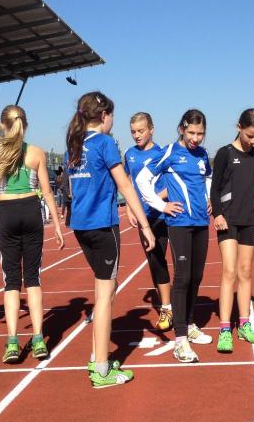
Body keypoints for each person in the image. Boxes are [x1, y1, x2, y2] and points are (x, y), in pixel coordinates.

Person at [66, 91, 156, 387]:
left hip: (81, 226)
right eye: (113, 116)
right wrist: (145, 226)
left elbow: (74, 188)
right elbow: (125, 185)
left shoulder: (74, 143)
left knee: (104, 289)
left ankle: (97, 357)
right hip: (103, 226)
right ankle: (102, 370)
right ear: (104, 116)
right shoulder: (104, 143)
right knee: (106, 295)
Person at [0, 105, 64, 363]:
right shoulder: (36, 152)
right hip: (31, 211)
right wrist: (57, 224)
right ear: (25, 125)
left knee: (11, 282)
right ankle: (38, 339)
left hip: (7, 213)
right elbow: (47, 192)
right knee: (33, 279)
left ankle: (13, 342)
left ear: (2, 125)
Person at [137, 109, 213, 363]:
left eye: (200, 133)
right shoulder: (169, 152)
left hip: (202, 222)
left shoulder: (203, 154)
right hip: (179, 223)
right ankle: (180, 341)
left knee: (197, 277)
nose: (196, 138)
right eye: (191, 132)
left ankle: (189, 325)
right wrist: (162, 206)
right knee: (183, 277)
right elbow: (143, 180)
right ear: (182, 129)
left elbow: (208, 176)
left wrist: (209, 198)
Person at [211, 109, 254, 353]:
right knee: (229, 271)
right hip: (227, 220)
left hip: (248, 221)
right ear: (239, 127)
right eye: (250, 136)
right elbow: (214, 188)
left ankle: (244, 324)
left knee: (245, 272)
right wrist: (217, 213)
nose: (253, 141)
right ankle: (224, 329)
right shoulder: (225, 153)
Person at [124, 112, 175, 331]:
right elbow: (127, 182)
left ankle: (167, 307)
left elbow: (170, 185)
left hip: (161, 216)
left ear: (151, 130)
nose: (137, 135)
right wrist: (130, 207)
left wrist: (153, 199)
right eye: (133, 132)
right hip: (142, 217)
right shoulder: (129, 154)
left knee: (159, 259)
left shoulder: (161, 154)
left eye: (141, 131)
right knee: (153, 262)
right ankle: (167, 304)